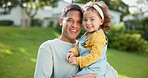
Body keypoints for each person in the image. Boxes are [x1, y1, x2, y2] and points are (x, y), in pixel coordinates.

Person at [34, 4, 96, 78]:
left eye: (79, 22)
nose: (74, 25)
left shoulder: (86, 47)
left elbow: (108, 72)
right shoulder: (48, 47)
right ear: (61, 21)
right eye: (70, 20)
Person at [66, 1, 118, 78]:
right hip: (87, 67)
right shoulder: (87, 35)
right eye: (85, 20)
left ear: (101, 21)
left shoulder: (98, 36)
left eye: (92, 19)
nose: (88, 23)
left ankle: (90, 76)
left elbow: (94, 55)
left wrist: (77, 60)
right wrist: (72, 52)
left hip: (95, 68)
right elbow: (79, 46)